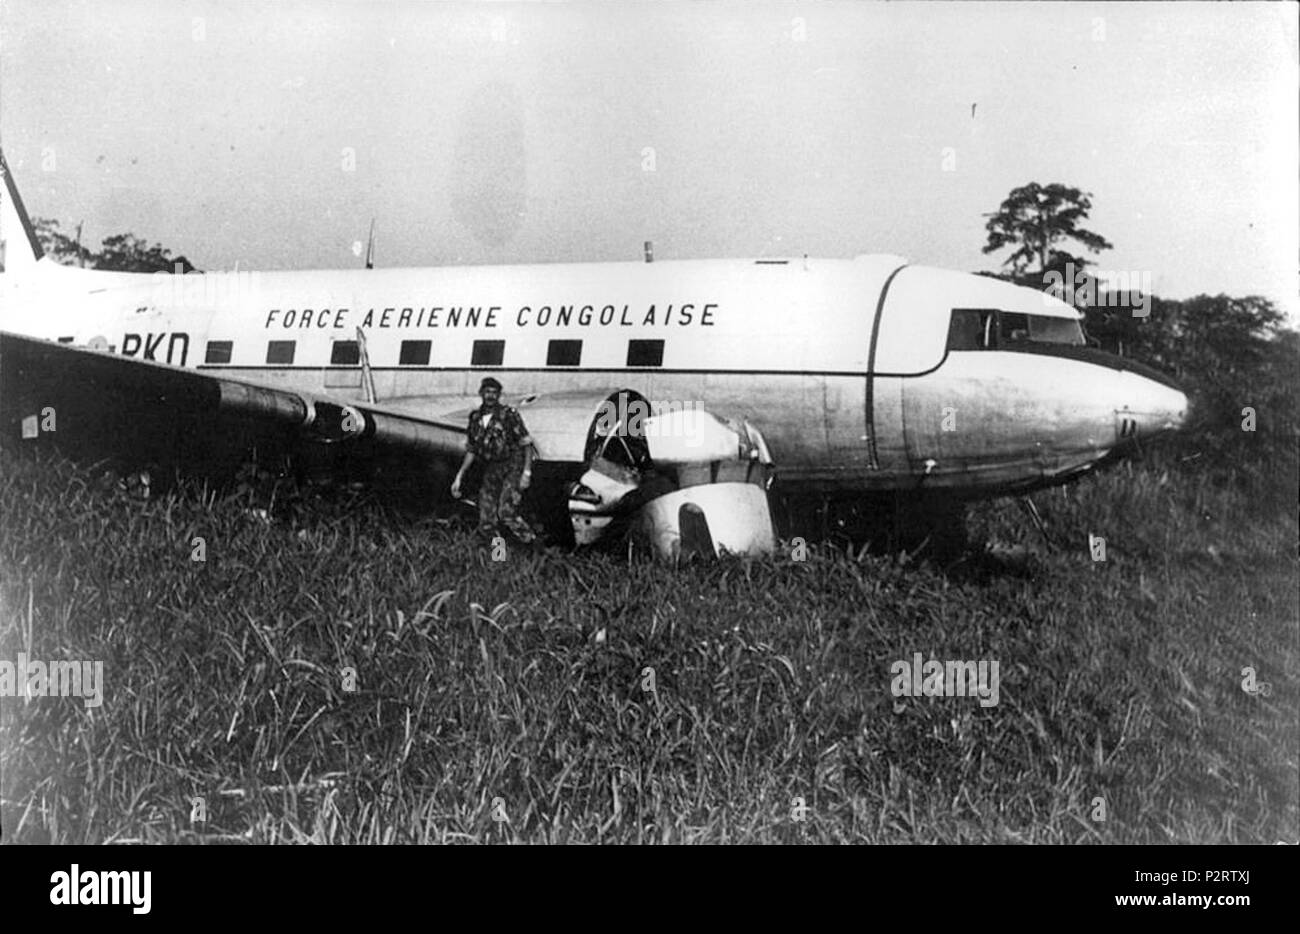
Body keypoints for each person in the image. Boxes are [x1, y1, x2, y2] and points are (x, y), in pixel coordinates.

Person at [451, 377, 537, 543]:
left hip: (513, 465)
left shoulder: (509, 415)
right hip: (492, 468)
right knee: (487, 516)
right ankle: (499, 555)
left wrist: (526, 473)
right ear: (481, 393)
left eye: (494, 393)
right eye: (487, 392)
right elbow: (472, 449)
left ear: (499, 395)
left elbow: (526, 444)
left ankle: (533, 545)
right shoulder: (475, 417)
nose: (490, 396)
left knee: (506, 512)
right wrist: (459, 476)